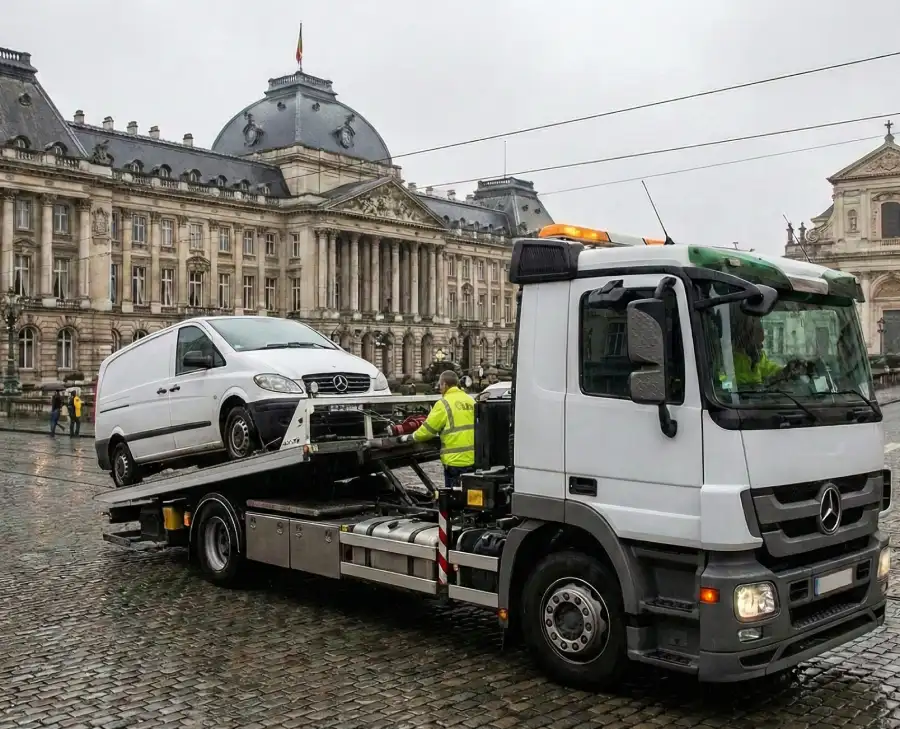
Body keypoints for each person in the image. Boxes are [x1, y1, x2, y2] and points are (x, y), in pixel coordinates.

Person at [401, 370, 475, 489]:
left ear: (445, 384)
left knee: (454, 500)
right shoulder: (470, 400)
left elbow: (427, 431)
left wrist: (411, 437)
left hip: (455, 461)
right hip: (473, 459)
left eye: (440, 385)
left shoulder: (444, 403)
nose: (439, 388)